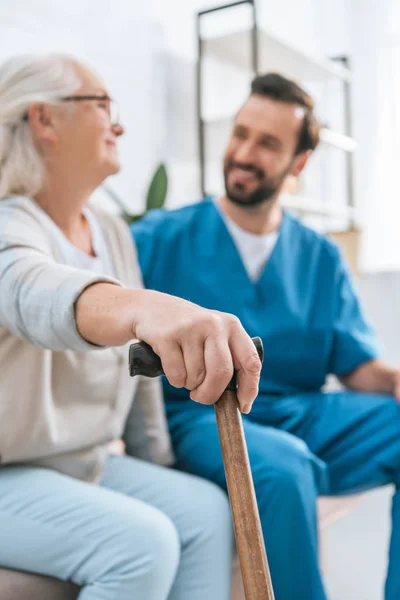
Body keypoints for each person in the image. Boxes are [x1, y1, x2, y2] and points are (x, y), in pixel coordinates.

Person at [0, 53, 262, 600]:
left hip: (82, 465)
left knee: (205, 513)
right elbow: (30, 291)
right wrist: (141, 309)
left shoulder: (113, 232)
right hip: (9, 473)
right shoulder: (10, 223)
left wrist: (158, 467)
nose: (118, 124)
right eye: (102, 106)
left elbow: (138, 393)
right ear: (44, 120)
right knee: (143, 542)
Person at [132, 72, 400, 600]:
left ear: (298, 163)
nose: (245, 153)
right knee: (280, 467)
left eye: (268, 143)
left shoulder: (319, 256)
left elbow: (357, 366)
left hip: (303, 413)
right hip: (203, 414)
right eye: (241, 133)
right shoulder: (158, 237)